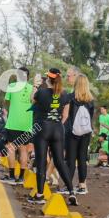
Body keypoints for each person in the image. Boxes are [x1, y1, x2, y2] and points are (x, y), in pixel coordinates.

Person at [31, 68, 73, 204]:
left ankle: (40, 195)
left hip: (42, 128)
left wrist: (35, 86)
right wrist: (57, 124)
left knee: (41, 161)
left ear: (48, 79)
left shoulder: (41, 92)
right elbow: (65, 115)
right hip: (58, 129)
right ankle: (72, 192)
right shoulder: (65, 94)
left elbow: (32, 100)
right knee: (60, 161)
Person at [63, 73, 94, 196]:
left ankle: (68, 185)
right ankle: (82, 185)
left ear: (76, 84)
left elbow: (66, 115)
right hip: (86, 133)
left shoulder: (70, 97)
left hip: (72, 132)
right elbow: (90, 117)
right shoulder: (91, 100)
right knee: (82, 158)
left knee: (70, 159)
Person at [3, 66, 34, 184]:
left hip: (14, 123)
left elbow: (7, 102)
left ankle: (11, 177)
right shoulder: (32, 89)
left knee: (11, 149)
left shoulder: (11, 87)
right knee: (24, 150)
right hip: (27, 124)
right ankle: (21, 178)